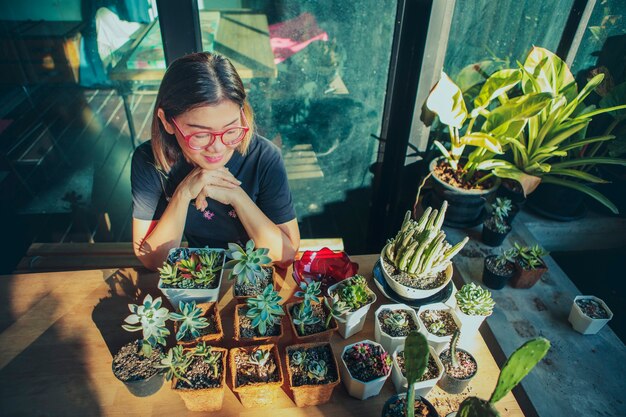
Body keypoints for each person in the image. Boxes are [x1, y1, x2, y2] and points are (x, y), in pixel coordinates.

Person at [131, 52, 300, 271]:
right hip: (197, 269)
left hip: (259, 273)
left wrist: (236, 195)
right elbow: (152, 260)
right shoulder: (150, 161)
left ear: (241, 113)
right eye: (200, 135)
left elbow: (285, 255)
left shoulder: (264, 157)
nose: (218, 147)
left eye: (230, 129)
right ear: (166, 121)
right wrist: (183, 194)